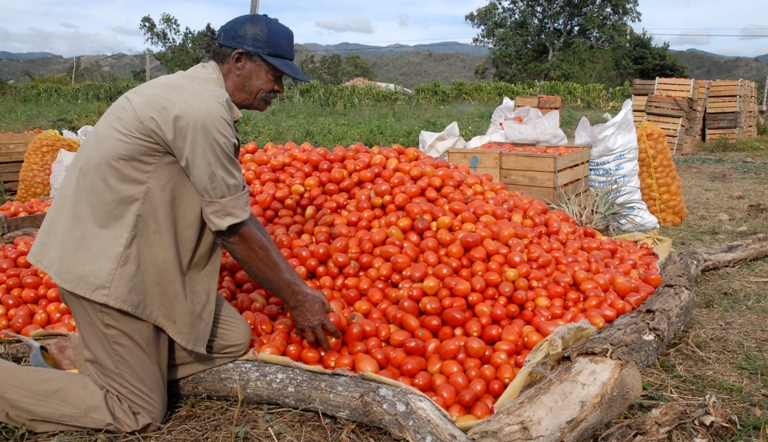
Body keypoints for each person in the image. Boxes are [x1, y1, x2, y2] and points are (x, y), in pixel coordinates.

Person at [0, 14, 340, 433]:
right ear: (238, 60)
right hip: (109, 267)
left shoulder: (195, 93)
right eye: (274, 74)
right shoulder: (199, 110)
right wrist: (297, 295)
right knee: (138, 410)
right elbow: (232, 226)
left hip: (144, 259)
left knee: (231, 337)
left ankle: (78, 356)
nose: (279, 88)